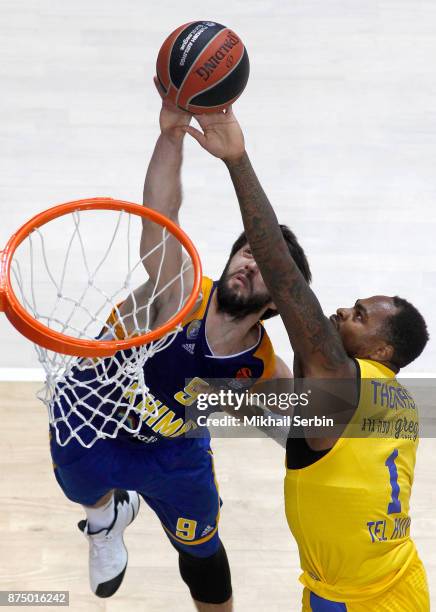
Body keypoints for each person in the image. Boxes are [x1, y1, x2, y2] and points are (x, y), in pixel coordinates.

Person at [49, 83, 311, 611]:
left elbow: (314, 425)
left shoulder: (260, 367)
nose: (249, 262)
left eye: (265, 265)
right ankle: (105, 520)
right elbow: (160, 212)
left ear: (278, 302)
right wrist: (171, 135)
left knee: (203, 556)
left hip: (173, 452)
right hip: (94, 419)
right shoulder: (180, 290)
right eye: (247, 250)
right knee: (82, 482)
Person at [183, 107, 430, 611]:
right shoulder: (393, 400)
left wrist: (237, 162)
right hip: (372, 584)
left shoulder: (342, 378)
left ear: (381, 349)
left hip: (365, 600)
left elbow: (283, 275)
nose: (343, 311)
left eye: (359, 315)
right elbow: (297, 430)